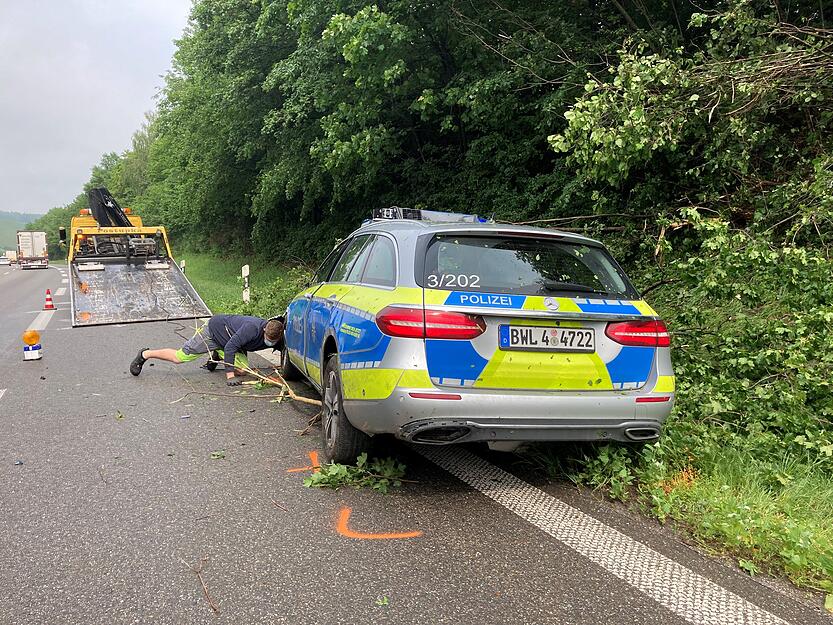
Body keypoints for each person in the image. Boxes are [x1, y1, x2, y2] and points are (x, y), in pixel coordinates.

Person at [130, 315, 285, 386]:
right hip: (213, 332)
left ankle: (217, 355)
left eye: (273, 341)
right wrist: (229, 376)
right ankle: (145, 354)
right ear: (264, 329)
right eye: (267, 339)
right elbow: (231, 347)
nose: (269, 342)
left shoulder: (279, 336)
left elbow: (284, 351)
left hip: (230, 342)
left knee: (243, 371)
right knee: (179, 357)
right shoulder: (251, 329)